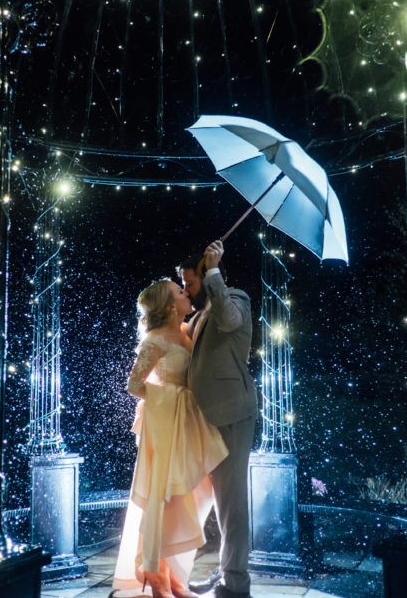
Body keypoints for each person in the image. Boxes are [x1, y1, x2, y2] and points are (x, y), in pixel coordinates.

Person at [111, 279, 229, 598]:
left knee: (187, 496)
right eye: (179, 291)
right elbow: (134, 385)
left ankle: (175, 577)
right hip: (166, 428)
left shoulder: (187, 333)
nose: (186, 292)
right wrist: (173, 396)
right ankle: (158, 576)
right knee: (163, 498)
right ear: (168, 305)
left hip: (189, 424)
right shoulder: (155, 340)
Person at [180, 240, 256, 598]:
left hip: (230, 416)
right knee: (193, 499)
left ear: (204, 277)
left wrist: (213, 270)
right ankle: (189, 570)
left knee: (231, 502)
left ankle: (235, 583)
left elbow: (230, 319)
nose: (185, 289)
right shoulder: (197, 315)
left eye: (189, 283)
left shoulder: (235, 298)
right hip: (198, 420)